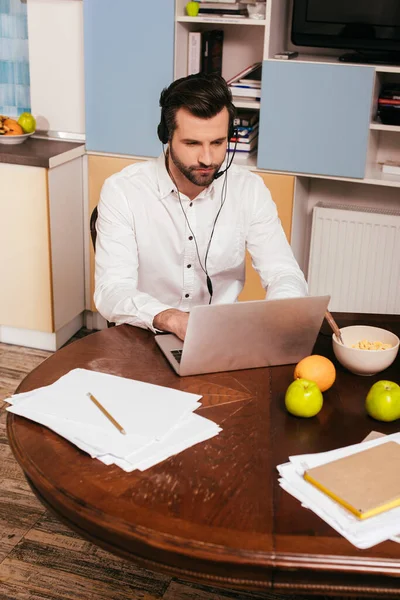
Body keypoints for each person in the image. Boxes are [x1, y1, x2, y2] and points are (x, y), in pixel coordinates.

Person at [94, 73, 308, 340]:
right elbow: (112, 290)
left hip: (223, 337)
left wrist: (278, 315)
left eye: (218, 143)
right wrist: (172, 318)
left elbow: (284, 273)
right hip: (146, 333)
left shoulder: (249, 190)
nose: (207, 159)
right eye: (192, 143)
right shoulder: (123, 191)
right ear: (166, 136)